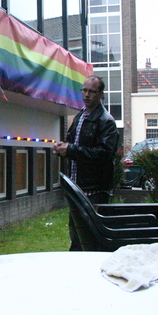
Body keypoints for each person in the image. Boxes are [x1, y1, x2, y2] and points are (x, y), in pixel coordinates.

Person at [54, 75, 119, 251]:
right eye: (84, 90)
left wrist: (71, 150)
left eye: (92, 91)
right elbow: (73, 144)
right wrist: (63, 148)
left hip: (95, 190)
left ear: (101, 94)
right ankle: (77, 268)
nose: (87, 95)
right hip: (77, 188)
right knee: (76, 235)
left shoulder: (106, 121)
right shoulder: (80, 116)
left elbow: (104, 154)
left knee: (92, 237)